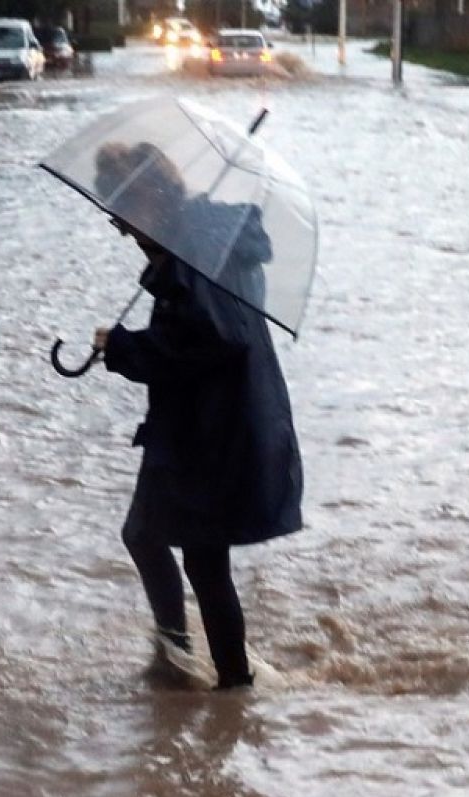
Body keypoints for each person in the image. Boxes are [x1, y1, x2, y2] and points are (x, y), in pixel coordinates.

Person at [88, 146, 303, 690]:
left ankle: (227, 683)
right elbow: (204, 332)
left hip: (216, 432)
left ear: (147, 196)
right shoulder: (196, 243)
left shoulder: (196, 252)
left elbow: (214, 337)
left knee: (199, 561)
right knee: (148, 535)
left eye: (120, 210)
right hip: (201, 426)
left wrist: (124, 348)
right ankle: (184, 663)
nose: (119, 227)